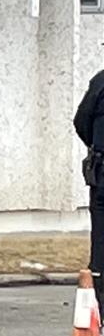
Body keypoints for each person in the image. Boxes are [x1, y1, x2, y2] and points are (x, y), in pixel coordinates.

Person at [75, 66, 104, 274]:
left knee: (101, 236)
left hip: (103, 169)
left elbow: (81, 121)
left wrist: (96, 146)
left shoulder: (100, 82)